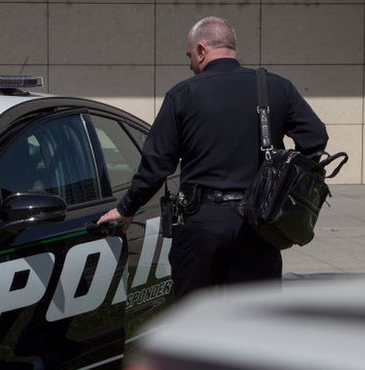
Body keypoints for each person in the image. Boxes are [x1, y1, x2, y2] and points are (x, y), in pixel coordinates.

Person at [97, 16, 328, 299]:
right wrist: (281, 184)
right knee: (255, 321)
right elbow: (315, 139)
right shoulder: (276, 87)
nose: (190, 64)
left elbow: (156, 165)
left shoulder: (183, 94)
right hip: (260, 225)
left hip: (200, 223)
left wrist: (127, 208)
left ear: (202, 49)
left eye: (190, 55)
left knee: (195, 320)